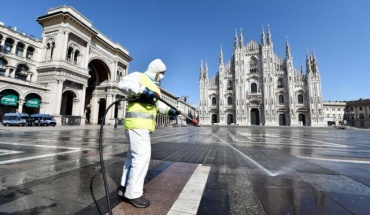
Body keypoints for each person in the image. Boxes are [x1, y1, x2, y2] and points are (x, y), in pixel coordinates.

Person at [117, 59, 181, 208]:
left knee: (132, 158)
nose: (163, 76)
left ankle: (124, 187)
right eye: (162, 73)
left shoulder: (154, 87)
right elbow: (122, 84)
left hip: (141, 126)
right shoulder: (139, 76)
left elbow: (158, 105)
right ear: (156, 72)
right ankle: (133, 194)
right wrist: (142, 91)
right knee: (142, 157)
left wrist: (169, 110)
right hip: (137, 124)